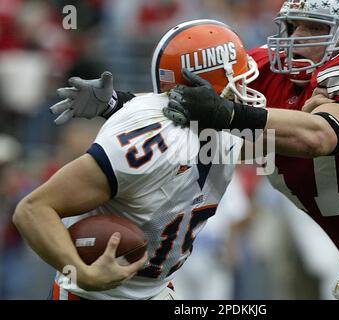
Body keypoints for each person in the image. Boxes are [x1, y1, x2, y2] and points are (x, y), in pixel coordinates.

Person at [54, 1, 339, 300]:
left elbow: (320, 136)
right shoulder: (270, 72)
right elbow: (195, 100)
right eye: (291, 25)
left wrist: (231, 114)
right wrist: (119, 102)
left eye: (315, 27)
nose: (296, 36)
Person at [13, 19, 266, 300]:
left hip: (156, 290)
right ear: (206, 86)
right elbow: (33, 209)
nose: (247, 89)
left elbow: (299, 139)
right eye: (238, 81)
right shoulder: (151, 142)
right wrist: (82, 272)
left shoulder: (227, 129)